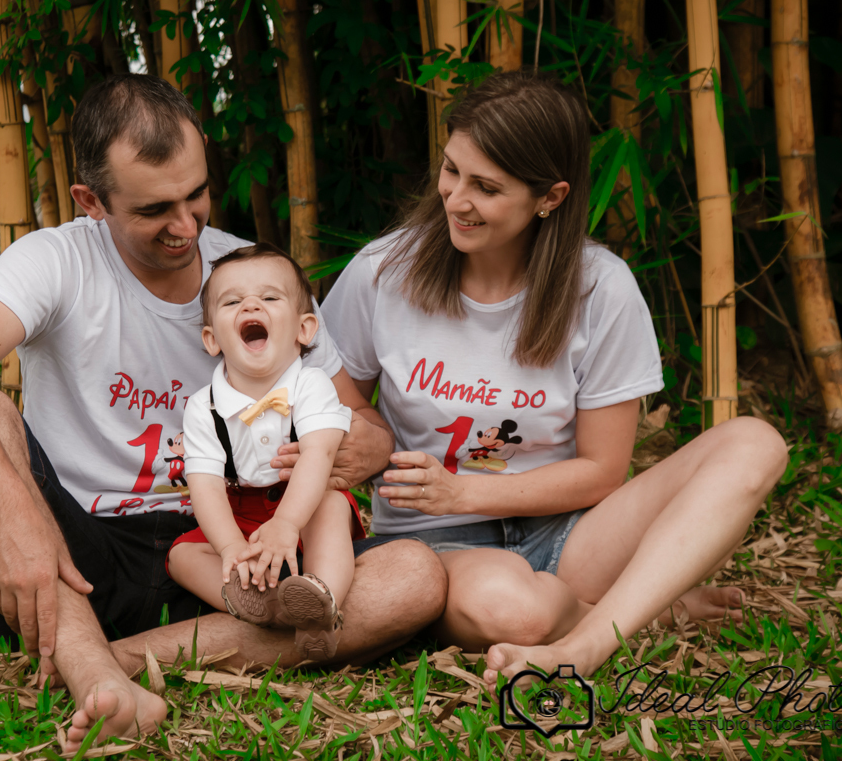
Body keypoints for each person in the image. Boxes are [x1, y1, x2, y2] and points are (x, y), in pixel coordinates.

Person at [0, 74, 447, 754]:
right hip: (74, 558)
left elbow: (361, 420)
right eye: (156, 209)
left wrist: (357, 444)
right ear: (91, 201)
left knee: (414, 576)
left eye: (196, 195)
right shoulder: (56, 260)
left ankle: (111, 661)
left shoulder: (250, 275)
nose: (186, 227)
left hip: (230, 556)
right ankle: (90, 653)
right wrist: (13, 517)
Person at [317, 69, 789, 688]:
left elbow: (602, 470)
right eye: (451, 169)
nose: (456, 199)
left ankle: (590, 640)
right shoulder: (384, 272)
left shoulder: (602, 288)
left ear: (551, 197)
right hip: (434, 545)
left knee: (754, 443)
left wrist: (466, 491)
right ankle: (644, 605)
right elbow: (336, 407)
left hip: (570, 535)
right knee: (516, 612)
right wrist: (376, 445)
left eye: (486, 187)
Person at [169, 244, 365, 660]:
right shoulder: (203, 406)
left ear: (304, 329)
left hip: (303, 501)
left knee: (332, 506)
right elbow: (204, 486)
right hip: (242, 511)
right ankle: (257, 602)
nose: (251, 305)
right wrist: (230, 548)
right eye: (233, 301)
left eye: (270, 298)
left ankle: (321, 598)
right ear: (211, 339)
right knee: (182, 555)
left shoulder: (312, 386)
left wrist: (288, 523)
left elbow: (319, 455)